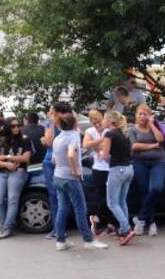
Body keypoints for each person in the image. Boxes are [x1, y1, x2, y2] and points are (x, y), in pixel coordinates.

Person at [52, 113, 108, 251]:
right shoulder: (73, 136)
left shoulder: (58, 138)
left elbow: (54, 159)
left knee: (62, 208)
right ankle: (88, 240)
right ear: (75, 124)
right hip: (70, 178)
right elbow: (71, 154)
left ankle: (60, 240)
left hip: (58, 176)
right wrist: (74, 170)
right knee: (80, 208)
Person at [0, 118, 32, 239]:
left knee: (13, 199)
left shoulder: (24, 139)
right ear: (8, 127)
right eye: (13, 126)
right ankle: (7, 225)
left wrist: (7, 157)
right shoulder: (0, 141)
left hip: (18, 172)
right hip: (2, 173)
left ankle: (7, 228)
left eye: (18, 125)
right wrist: (6, 164)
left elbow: (26, 158)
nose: (17, 128)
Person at [129, 104, 165, 237]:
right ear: (136, 116)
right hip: (140, 163)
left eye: (145, 114)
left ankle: (140, 219)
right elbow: (135, 146)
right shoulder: (132, 130)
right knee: (144, 192)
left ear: (149, 116)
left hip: (158, 162)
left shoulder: (155, 126)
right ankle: (151, 224)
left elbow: (161, 139)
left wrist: (152, 125)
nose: (142, 117)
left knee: (156, 189)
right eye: (140, 114)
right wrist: (154, 145)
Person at [100, 111, 136, 245]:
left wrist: (100, 153)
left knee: (112, 203)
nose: (103, 122)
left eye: (104, 119)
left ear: (109, 122)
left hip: (117, 170)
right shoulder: (124, 133)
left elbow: (105, 155)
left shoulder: (109, 134)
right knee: (121, 201)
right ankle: (123, 230)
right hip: (129, 169)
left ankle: (126, 228)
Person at [41, 102, 72, 239]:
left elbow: (46, 142)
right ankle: (57, 229)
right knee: (53, 195)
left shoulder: (69, 123)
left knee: (65, 196)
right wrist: (52, 123)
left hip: (63, 162)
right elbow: (48, 142)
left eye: (52, 111)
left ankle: (62, 227)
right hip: (49, 162)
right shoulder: (49, 123)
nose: (50, 114)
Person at [83, 110, 114, 236]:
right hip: (98, 168)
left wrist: (98, 145)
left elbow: (111, 147)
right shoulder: (90, 132)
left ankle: (100, 219)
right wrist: (101, 140)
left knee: (110, 197)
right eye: (94, 123)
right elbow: (85, 144)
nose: (97, 125)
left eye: (99, 122)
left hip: (111, 167)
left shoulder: (109, 131)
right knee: (101, 195)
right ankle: (104, 222)